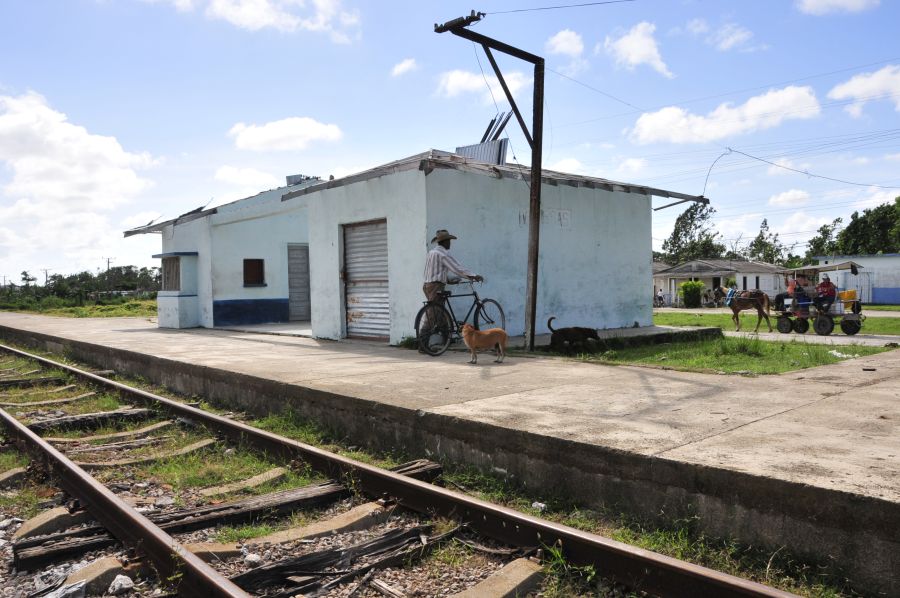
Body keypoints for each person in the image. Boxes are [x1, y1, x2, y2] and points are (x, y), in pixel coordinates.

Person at [423, 229, 483, 303]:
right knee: (434, 312)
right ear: (445, 242)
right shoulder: (442, 254)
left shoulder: (431, 252)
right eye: (449, 241)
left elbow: (433, 272)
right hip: (436, 286)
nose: (450, 243)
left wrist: (448, 280)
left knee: (438, 311)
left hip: (427, 286)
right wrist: (473, 275)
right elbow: (456, 268)